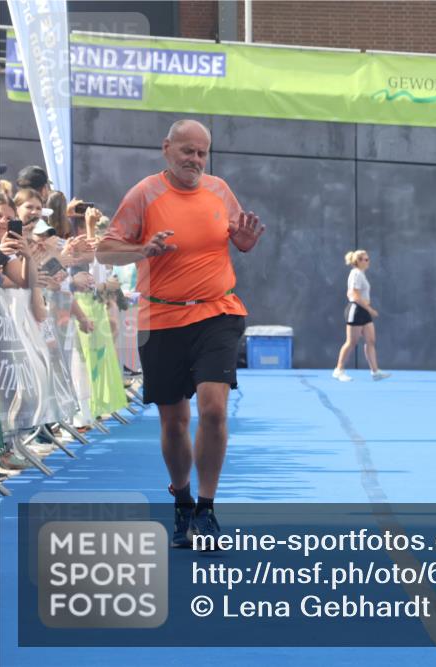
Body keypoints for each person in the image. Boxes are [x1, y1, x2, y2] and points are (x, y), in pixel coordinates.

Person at [96, 119, 265, 549]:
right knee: (174, 422)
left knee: (213, 409)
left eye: (202, 153)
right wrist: (141, 249)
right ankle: (182, 500)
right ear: (167, 148)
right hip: (162, 319)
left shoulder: (219, 190)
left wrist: (245, 241)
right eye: (187, 151)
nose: (195, 160)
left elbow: (238, 239)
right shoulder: (144, 193)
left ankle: (206, 509)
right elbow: (105, 248)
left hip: (217, 312)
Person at [333, 250, 391, 382]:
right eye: (365, 259)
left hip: (363, 311)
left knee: (370, 340)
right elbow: (355, 295)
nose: (368, 261)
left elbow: (352, 292)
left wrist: (367, 309)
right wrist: (369, 309)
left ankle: (375, 371)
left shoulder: (361, 274)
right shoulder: (356, 274)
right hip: (357, 310)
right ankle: (339, 370)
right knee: (351, 342)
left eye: (368, 259)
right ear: (358, 261)